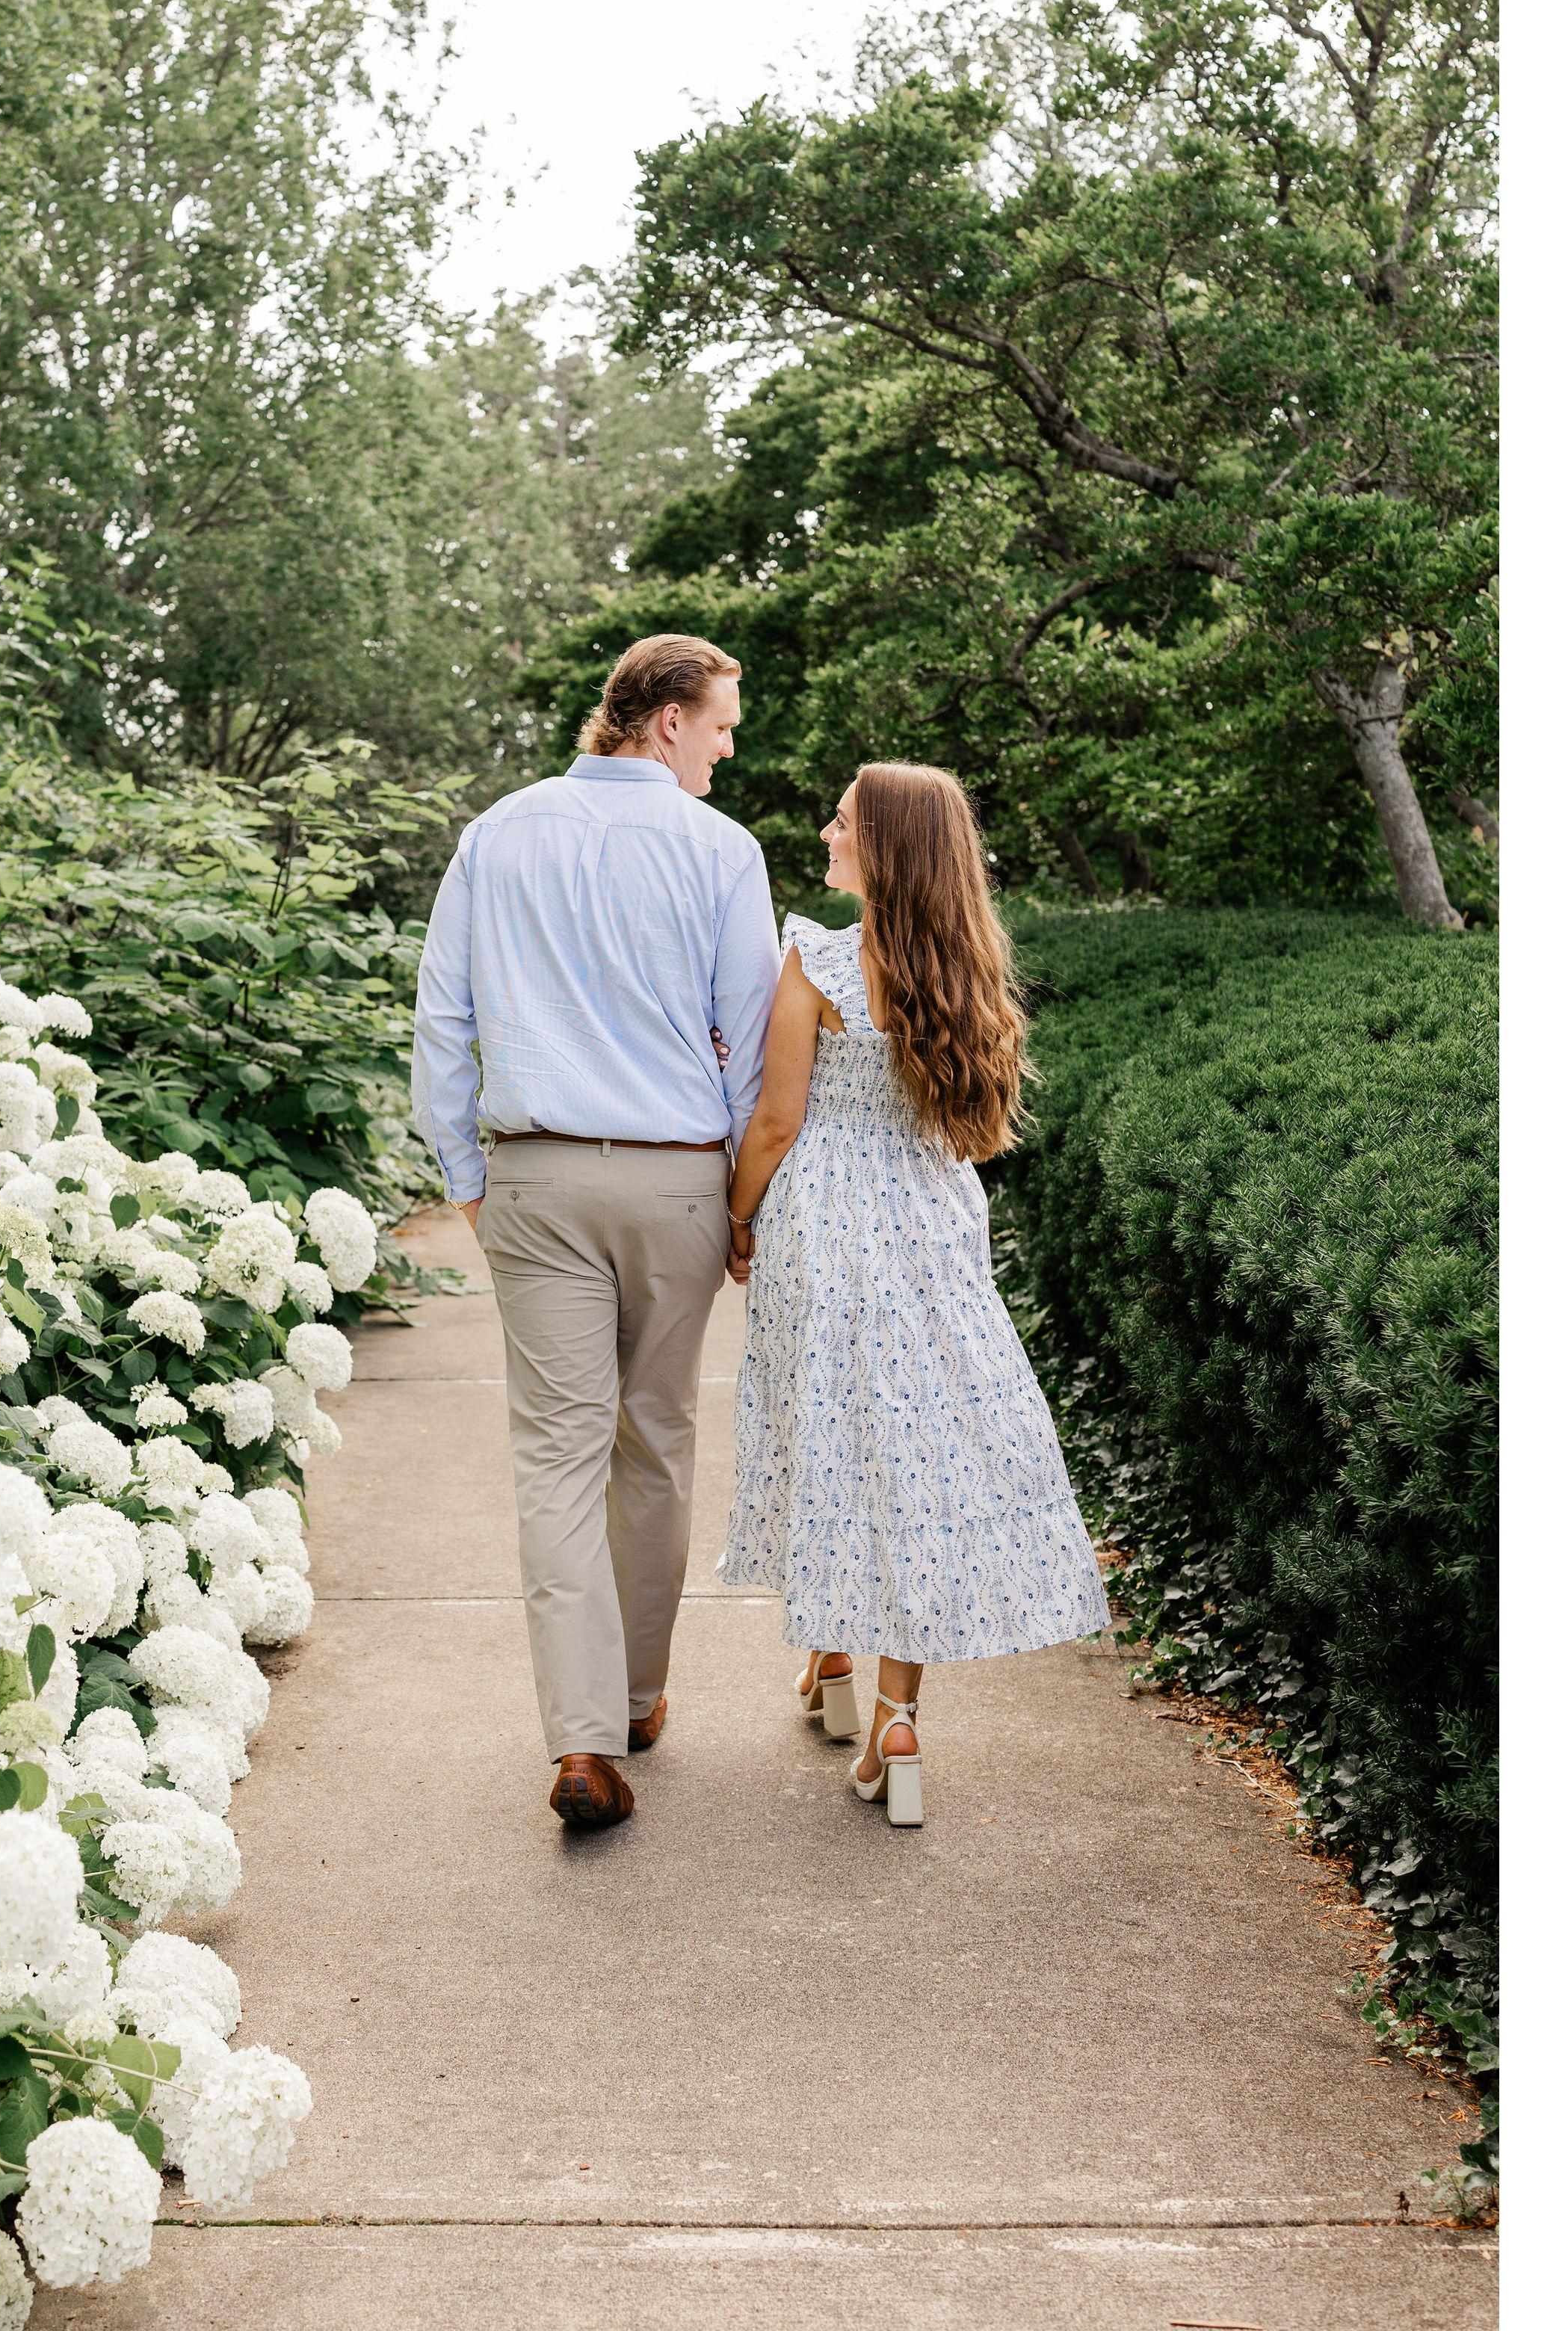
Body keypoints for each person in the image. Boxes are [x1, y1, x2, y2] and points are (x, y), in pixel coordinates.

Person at [411, 635, 781, 1830]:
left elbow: (442, 1020)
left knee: (557, 1459)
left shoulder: (496, 834)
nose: (728, 749)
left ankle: (582, 1744)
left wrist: (469, 1178)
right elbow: (750, 1048)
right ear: (668, 719)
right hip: (678, 1184)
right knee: (657, 1441)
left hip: (536, 1178)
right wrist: (740, 1204)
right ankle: (633, 1700)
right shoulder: (721, 850)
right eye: (721, 726)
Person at [718, 762, 1109, 1827]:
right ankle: (890, 1712)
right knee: (914, 1448)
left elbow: (776, 1122)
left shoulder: (819, 961)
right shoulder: (967, 968)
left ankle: (833, 1656)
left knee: (825, 1426)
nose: (826, 831)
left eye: (843, 820)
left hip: (823, 1219)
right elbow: (966, 1128)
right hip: (932, 1216)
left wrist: (738, 1217)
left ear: (884, 847)